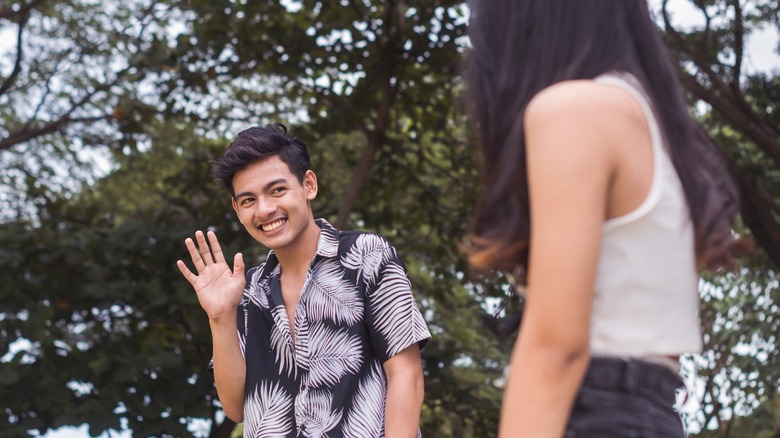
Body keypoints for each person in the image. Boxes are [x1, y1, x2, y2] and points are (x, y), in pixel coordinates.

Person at [463, 1, 744, 436]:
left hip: (595, 408)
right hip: (652, 410)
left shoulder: (573, 110)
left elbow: (558, 348)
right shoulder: (651, 123)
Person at [177, 123, 431, 437]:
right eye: (248, 200)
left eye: (277, 190)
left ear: (308, 185)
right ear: (236, 208)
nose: (265, 210)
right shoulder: (245, 291)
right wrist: (220, 316)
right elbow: (236, 407)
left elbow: (407, 375)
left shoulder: (367, 255)